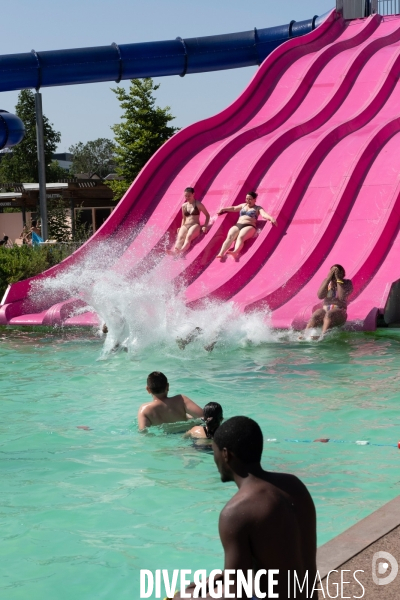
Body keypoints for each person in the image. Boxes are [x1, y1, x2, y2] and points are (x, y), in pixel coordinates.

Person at [175, 416, 317, 599]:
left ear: (226, 454)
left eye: (215, 451)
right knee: (213, 582)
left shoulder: (235, 512)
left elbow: (235, 596)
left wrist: (187, 596)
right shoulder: (295, 485)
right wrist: (221, 579)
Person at [216, 192, 277, 259]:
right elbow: (234, 208)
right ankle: (221, 253)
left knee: (241, 237)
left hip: (249, 226)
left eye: (250, 199)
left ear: (255, 199)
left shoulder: (257, 208)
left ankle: (235, 252)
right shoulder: (243, 205)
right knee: (230, 236)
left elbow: (264, 214)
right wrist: (223, 209)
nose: (248, 201)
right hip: (238, 225)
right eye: (247, 199)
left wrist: (271, 218)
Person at [137, 371, 204, 431]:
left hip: (165, 438)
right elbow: (204, 417)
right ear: (168, 386)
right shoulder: (181, 400)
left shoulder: (144, 410)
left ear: (148, 389)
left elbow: (143, 432)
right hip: (186, 433)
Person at [304, 264, 353, 338]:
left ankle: (322, 336)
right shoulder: (327, 282)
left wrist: (338, 279)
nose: (334, 274)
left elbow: (342, 297)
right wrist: (328, 279)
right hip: (325, 310)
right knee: (316, 314)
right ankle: (305, 335)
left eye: (336, 272)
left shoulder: (347, 283)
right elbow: (320, 296)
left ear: (343, 274)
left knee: (329, 314)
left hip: (340, 312)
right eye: (332, 272)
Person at [169, 187, 210, 255]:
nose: (187, 197)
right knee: (180, 237)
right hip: (185, 225)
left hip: (195, 225)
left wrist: (205, 225)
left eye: (189, 196)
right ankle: (175, 251)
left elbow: (207, 215)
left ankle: (181, 250)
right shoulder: (184, 206)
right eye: (185, 196)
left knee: (189, 236)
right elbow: (184, 218)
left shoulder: (198, 204)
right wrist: (181, 227)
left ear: (193, 194)